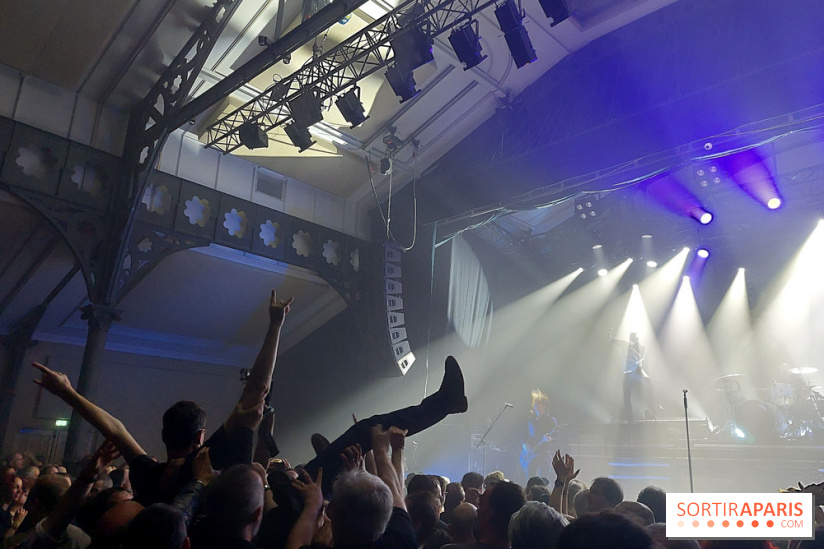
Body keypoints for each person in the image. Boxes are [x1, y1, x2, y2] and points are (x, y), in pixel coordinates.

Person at [31, 290, 293, 506]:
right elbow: (257, 390)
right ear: (200, 436)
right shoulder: (205, 461)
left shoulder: (147, 475)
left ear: (165, 435)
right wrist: (275, 324)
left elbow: (114, 428)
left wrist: (67, 392)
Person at [614, 332, 654, 421]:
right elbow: (615, 341)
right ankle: (629, 418)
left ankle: (653, 409)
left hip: (637, 371)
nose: (631, 340)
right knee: (626, 395)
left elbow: (639, 359)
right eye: (630, 338)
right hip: (627, 373)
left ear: (637, 339)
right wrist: (611, 337)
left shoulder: (642, 348)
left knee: (648, 382)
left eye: (633, 338)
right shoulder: (625, 344)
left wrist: (632, 349)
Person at [520, 389, 559, 479]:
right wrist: (525, 445)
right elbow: (524, 434)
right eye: (536, 404)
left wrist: (550, 438)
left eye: (540, 404)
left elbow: (556, 434)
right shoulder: (530, 420)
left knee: (544, 478)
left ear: (544, 406)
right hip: (531, 453)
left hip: (543, 453)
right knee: (530, 477)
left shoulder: (550, 420)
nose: (537, 406)